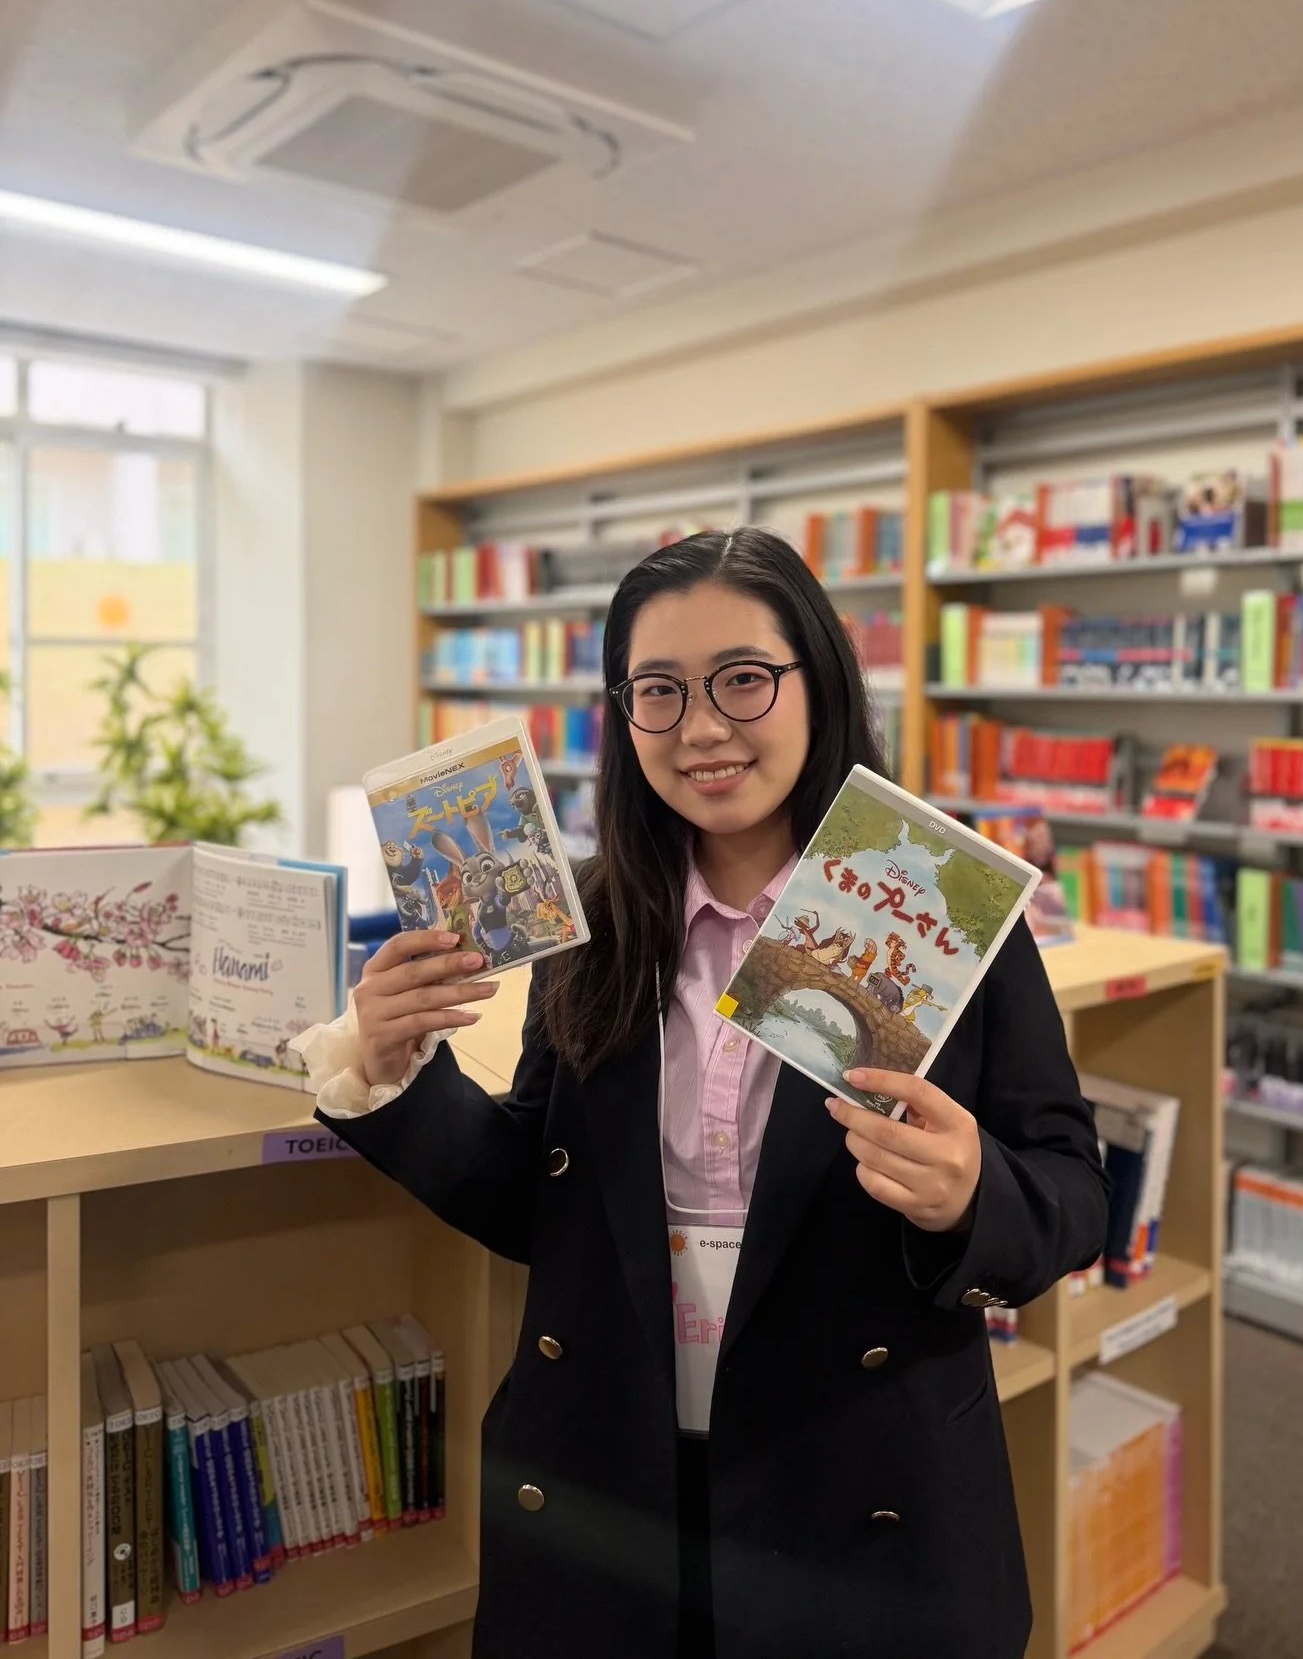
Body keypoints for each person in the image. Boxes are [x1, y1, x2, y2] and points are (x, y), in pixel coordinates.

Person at [302, 528, 1106, 1659]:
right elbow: (539, 1202)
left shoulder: (937, 910)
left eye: (743, 679)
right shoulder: (594, 921)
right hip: (613, 1477)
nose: (702, 728)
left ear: (819, 680)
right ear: (622, 714)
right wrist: (392, 1073)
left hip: (855, 1488)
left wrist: (972, 1195)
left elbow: (1073, 1192)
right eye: (659, 691)